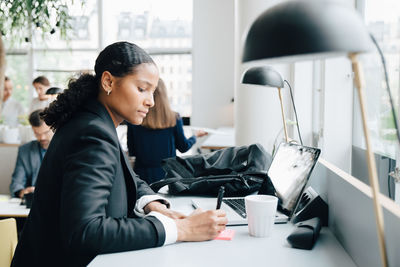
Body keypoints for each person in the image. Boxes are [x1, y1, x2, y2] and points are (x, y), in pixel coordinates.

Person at [11, 41, 227, 267]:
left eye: (153, 91)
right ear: (108, 81)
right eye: (142, 89)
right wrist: (181, 229)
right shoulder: (92, 133)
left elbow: (126, 176)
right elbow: (85, 231)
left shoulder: (94, 123)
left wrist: (151, 204)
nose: (151, 101)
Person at [127, 78, 207, 184]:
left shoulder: (134, 120)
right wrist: (195, 136)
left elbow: (132, 151)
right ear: (164, 95)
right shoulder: (174, 118)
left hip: (142, 176)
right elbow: (183, 147)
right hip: (168, 176)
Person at [9, 109, 54, 198]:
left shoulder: (65, 148)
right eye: (37, 134)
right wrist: (23, 192)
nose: (42, 138)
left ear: (53, 128)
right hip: (34, 202)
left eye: (46, 132)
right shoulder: (24, 151)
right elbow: (16, 184)